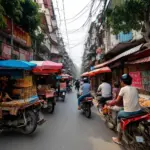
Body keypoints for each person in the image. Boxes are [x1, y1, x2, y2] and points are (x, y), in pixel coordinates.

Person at [107, 74, 142, 145]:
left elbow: (116, 101)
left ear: (122, 82)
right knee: (123, 109)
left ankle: (119, 139)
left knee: (119, 116)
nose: (121, 82)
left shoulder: (123, 89)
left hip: (129, 113)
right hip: (139, 111)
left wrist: (110, 104)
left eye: (121, 81)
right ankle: (138, 136)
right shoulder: (135, 88)